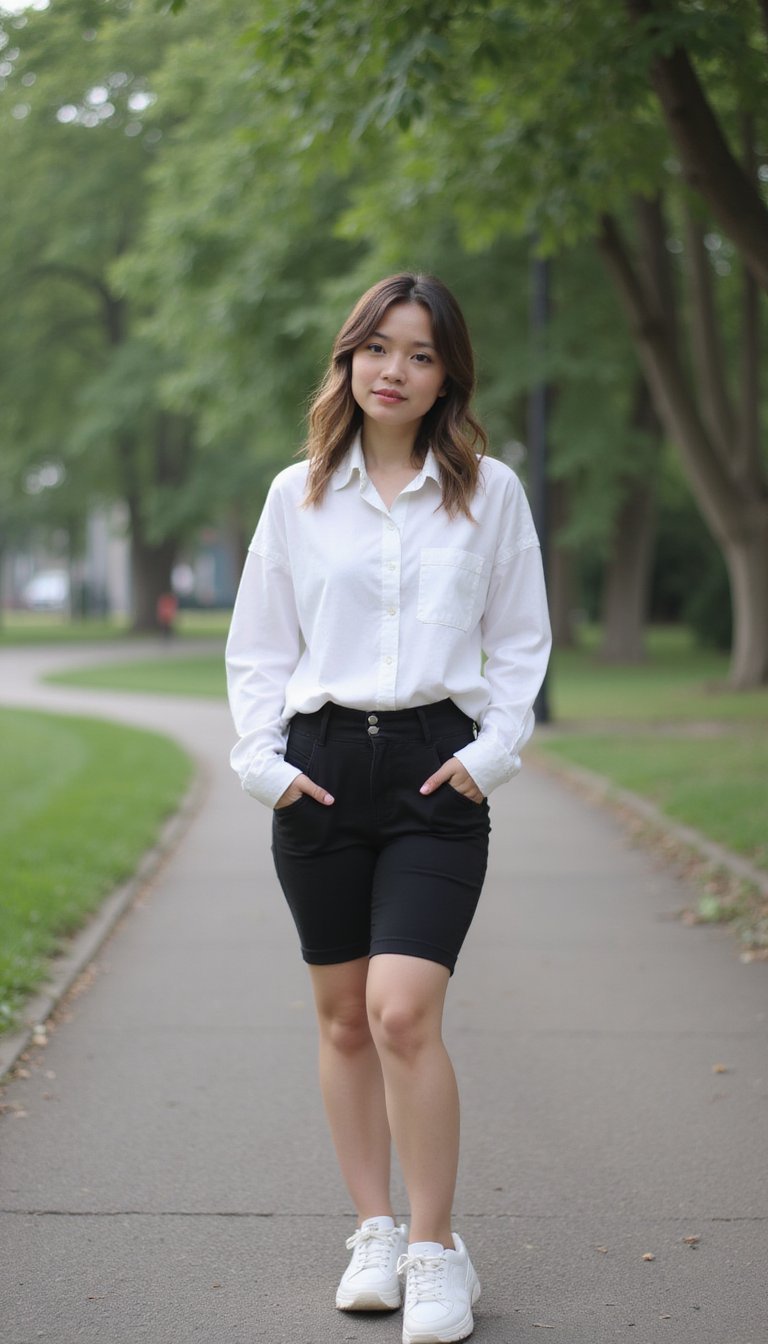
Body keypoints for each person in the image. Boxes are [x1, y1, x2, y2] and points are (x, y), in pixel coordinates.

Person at [226, 273, 551, 1344]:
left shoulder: (488, 492)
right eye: (378, 349)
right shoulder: (297, 495)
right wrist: (264, 766)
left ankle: (434, 1247)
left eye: (419, 353)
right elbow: (259, 648)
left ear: (448, 371)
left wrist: (491, 757)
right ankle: (372, 1229)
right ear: (347, 359)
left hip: (432, 772)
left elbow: (520, 645)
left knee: (401, 1012)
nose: (395, 371)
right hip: (320, 768)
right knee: (339, 1018)